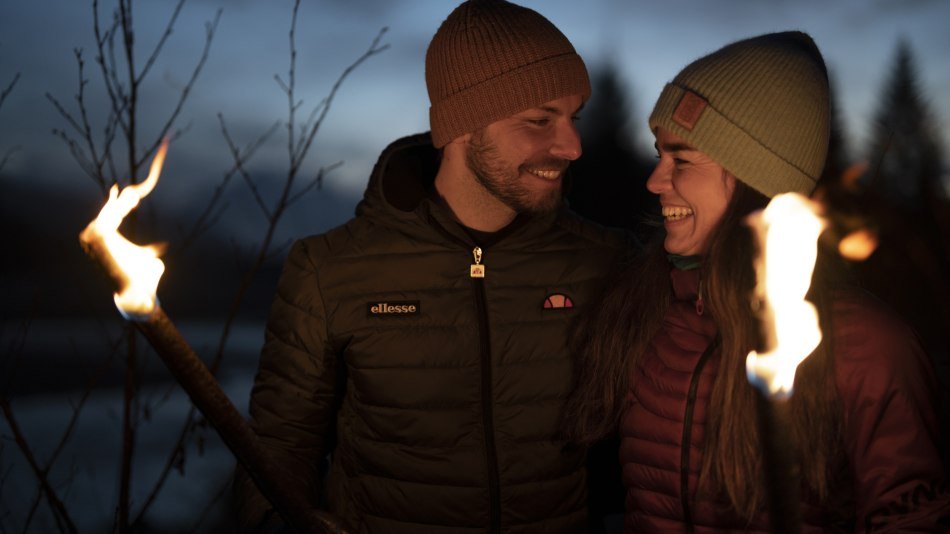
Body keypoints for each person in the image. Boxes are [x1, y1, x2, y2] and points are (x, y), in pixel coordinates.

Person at [235, 1, 630, 532]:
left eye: (573, 117)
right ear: (462, 125)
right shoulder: (329, 272)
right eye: (539, 120)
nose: (572, 146)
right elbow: (278, 453)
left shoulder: (604, 263)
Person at [564, 31, 950, 531]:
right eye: (659, 155)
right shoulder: (644, 308)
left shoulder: (867, 347)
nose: (655, 181)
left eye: (681, 159)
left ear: (756, 183)